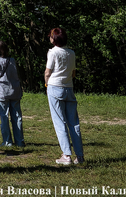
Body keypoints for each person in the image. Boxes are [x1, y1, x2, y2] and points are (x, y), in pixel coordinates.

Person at [45, 28, 84, 165]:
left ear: (54, 39)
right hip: (69, 88)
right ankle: (79, 156)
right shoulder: (71, 53)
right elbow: (73, 74)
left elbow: (48, 72)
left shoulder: (52, 52)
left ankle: (66, 155)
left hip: (55, 87)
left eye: (50, 36)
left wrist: (46, 84)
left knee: (59, 122)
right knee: (74, 123)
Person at [0, 40, 25, 148]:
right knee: (17, 117)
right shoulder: (12, 60)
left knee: (4, 117)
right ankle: (19, 141)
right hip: (14, 91)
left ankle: (7, 141)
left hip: (2, 92)